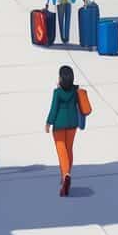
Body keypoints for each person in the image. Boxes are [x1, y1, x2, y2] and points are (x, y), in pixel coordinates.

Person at [45, 64, 82, 196]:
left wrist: (49, 122)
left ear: (61, 78)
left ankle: (65, 175)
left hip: (59, 125)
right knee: (69, 149)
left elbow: (54, 109)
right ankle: (66, 175)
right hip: (72, 124)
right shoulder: (75, 91)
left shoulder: (57, 93)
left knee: (61, 151)